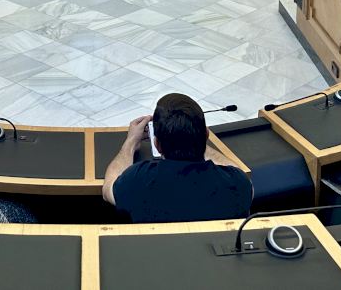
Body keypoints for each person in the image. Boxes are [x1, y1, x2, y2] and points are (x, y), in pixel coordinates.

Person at [102, 93, 253, 223]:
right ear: (206, 135)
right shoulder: (237, 183)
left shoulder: (137, 179)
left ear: (157, 145)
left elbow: (108, 188)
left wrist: (131, 141)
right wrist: (194, 137)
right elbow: (241, 174)